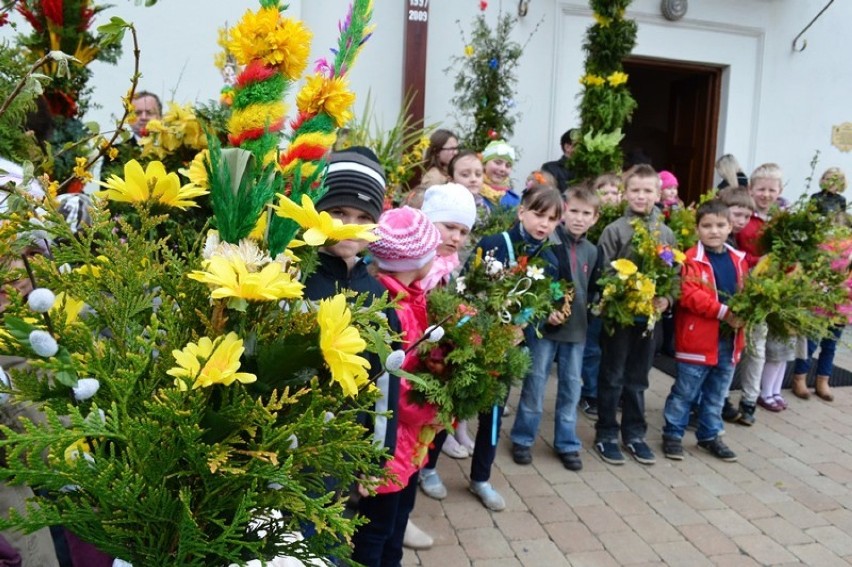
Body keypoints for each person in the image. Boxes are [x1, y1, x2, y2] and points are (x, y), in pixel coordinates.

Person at [352, 206, 441, 566]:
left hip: (406, 443)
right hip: (388, 444)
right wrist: (436, 407)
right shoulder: (393, 310)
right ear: (416, 260)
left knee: (399, 516)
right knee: (377, 527)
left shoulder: (410, 297)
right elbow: (397, 391)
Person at [466, 184, 564, 509]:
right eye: (538, 213)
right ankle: (429, 469)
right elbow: (467, 286)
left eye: (552, 218)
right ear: (521, 211)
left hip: (509, 349)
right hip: (473, 342)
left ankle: (480, 478)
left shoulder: (549, 258)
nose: (544, 223)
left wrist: (548, 315)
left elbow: (545, 304)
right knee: (452, 409)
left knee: (493, 414)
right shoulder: (496, 244)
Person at [404, 182, 477, 550]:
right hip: (407, 368)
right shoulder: (415, 266)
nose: (456, 236)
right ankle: (392, 513)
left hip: (432, 367)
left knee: (421, 442)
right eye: (449, 226)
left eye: (463, 231)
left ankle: (403, 511)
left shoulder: (450, 268)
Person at [510, 184, 599, 471]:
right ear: (562, 213)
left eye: (586, 213)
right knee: (535, 383)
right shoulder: (549, 244)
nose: (579, 218)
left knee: (572, 387)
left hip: (577, 332)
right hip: (545, 330)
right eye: (573, 211)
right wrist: (546, 312)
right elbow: (536, 286)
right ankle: (523, 438)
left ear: (595, 218)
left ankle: (567, 442)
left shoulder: (592, 251)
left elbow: (592, 287)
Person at [593, 164, 676, 466]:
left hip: (648, 320)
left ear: (658, 194)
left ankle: (634, 434)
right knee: (613, 376)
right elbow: (603, 273)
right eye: (635, 190)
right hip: (619, 317)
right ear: (626, 193)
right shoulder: (614, 230)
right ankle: (605, 433)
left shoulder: (665, 232)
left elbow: (673, 273)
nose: (641, 196)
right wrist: (621, 292)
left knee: (638, 378)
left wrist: (666, 298)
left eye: (648, 191)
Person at [661, 200, 747, 462]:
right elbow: (689, 294)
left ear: (730, 227)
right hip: (697, 339)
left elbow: (747, 293)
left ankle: (710, 435)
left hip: (728, 340)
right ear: (697, 229)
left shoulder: (737, 259)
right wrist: (724, 312)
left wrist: (747, 312)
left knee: (717, 392)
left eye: (720, 225)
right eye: (707, 226)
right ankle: (673, 434)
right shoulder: (690, 259)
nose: (714, 231)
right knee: (685, 391)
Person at [790, 167, 849, 402]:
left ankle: (823, 380)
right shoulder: (819, 249)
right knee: (811, 340)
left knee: (831, 343)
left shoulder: (849, 251)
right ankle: (800, 377)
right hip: (819, 299)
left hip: (841, 300)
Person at [733, 163, 784, 425]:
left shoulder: (782, 221)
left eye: (771, 190)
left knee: (757, 347)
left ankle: (750, 399)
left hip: (766, 293)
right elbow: (735, 251)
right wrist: (759, 260)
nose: (766, 194)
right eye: (761, 189)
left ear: (780, 191)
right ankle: (716, 398)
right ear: (751, 189)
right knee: (731, 347)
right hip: (741, 287)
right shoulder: (743, 218)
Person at [579, 173, 622, 418]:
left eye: (615, 192)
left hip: (618, 295)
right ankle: (591, 392)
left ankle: (609, 391)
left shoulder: (624, 224)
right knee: (593, 347)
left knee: (611, 348)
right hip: (595, 296)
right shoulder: (591, 226)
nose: (610, 197)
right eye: (604, 192)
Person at [449, 150, 489, 229]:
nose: (473, 179)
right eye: (465, 175)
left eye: (478, 174)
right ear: (451, 180)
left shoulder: (484, 206)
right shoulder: (445, 206)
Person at [480, 140, 520, 208]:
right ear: (484, 164)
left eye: (508, 166)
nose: (503, 169)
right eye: (498, 162)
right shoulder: (472, 191)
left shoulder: (515, 201)